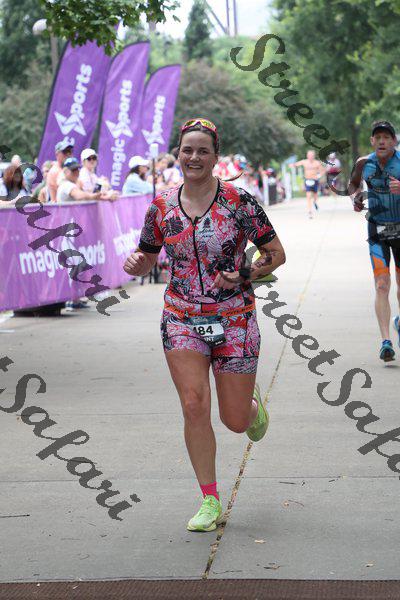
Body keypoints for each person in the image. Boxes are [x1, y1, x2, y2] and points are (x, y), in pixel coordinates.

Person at [123, 118, 286, 532]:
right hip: (181, 316)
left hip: (234, 319)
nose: (193, 157)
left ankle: (251, 408)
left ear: (215, 157)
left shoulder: (238, 202)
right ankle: (209, 499)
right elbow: (148, 254)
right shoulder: (161, 206)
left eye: (202, 151)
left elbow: (275, 254)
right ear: (178, 154)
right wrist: (137, 263)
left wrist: (245, 273)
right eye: (187, 150)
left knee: (235, 421)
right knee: (194, 405)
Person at [349, 120, 400, 362]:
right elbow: (353, 184)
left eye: (386, 137)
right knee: (381, 284)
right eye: (378, 137)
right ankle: (385, 341)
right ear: (372, 141)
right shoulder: (363, 163)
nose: (382, 141)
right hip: (377, 231)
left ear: (394, 141)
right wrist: (356, 197)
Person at [290, 150, 325, 218]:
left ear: (314, 156)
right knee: (308, 196)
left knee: (315, 195)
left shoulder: (317, 163)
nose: (310, 157)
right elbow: (297, 164)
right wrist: (292, 165)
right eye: (309, 155)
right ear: (307, 156)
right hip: (308, 180)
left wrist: (319, 176)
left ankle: (314, 202)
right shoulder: (304, 162)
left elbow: (322, 170)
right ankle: (309, 210)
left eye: (311, 155)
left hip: (315, 180)